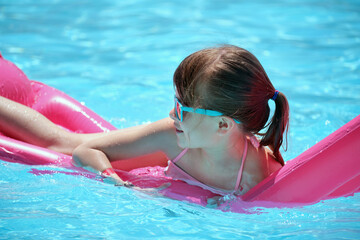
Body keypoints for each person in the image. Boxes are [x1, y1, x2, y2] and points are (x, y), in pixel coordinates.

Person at [0, 45, 289, 198]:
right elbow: (84, 152)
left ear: (223, 126)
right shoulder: (173, 135)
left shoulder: (258, 176)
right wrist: (117, 184)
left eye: (183, 107)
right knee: (62, 142)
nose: (172, 114)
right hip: (161, 151)